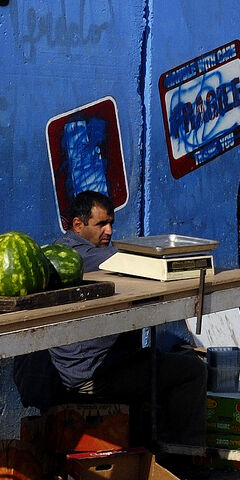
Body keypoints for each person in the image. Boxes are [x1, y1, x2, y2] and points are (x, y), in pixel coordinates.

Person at [47, 191, 206, 457]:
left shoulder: (64, 251)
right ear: (78, 225)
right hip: (91, 373)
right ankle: (186, 456)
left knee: (161, 359)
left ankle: (159, 449)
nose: (108, 230)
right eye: (100, 224)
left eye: (111, 223)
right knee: (191, 369)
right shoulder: (81, 257)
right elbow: (132, 261)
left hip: (96, 365)